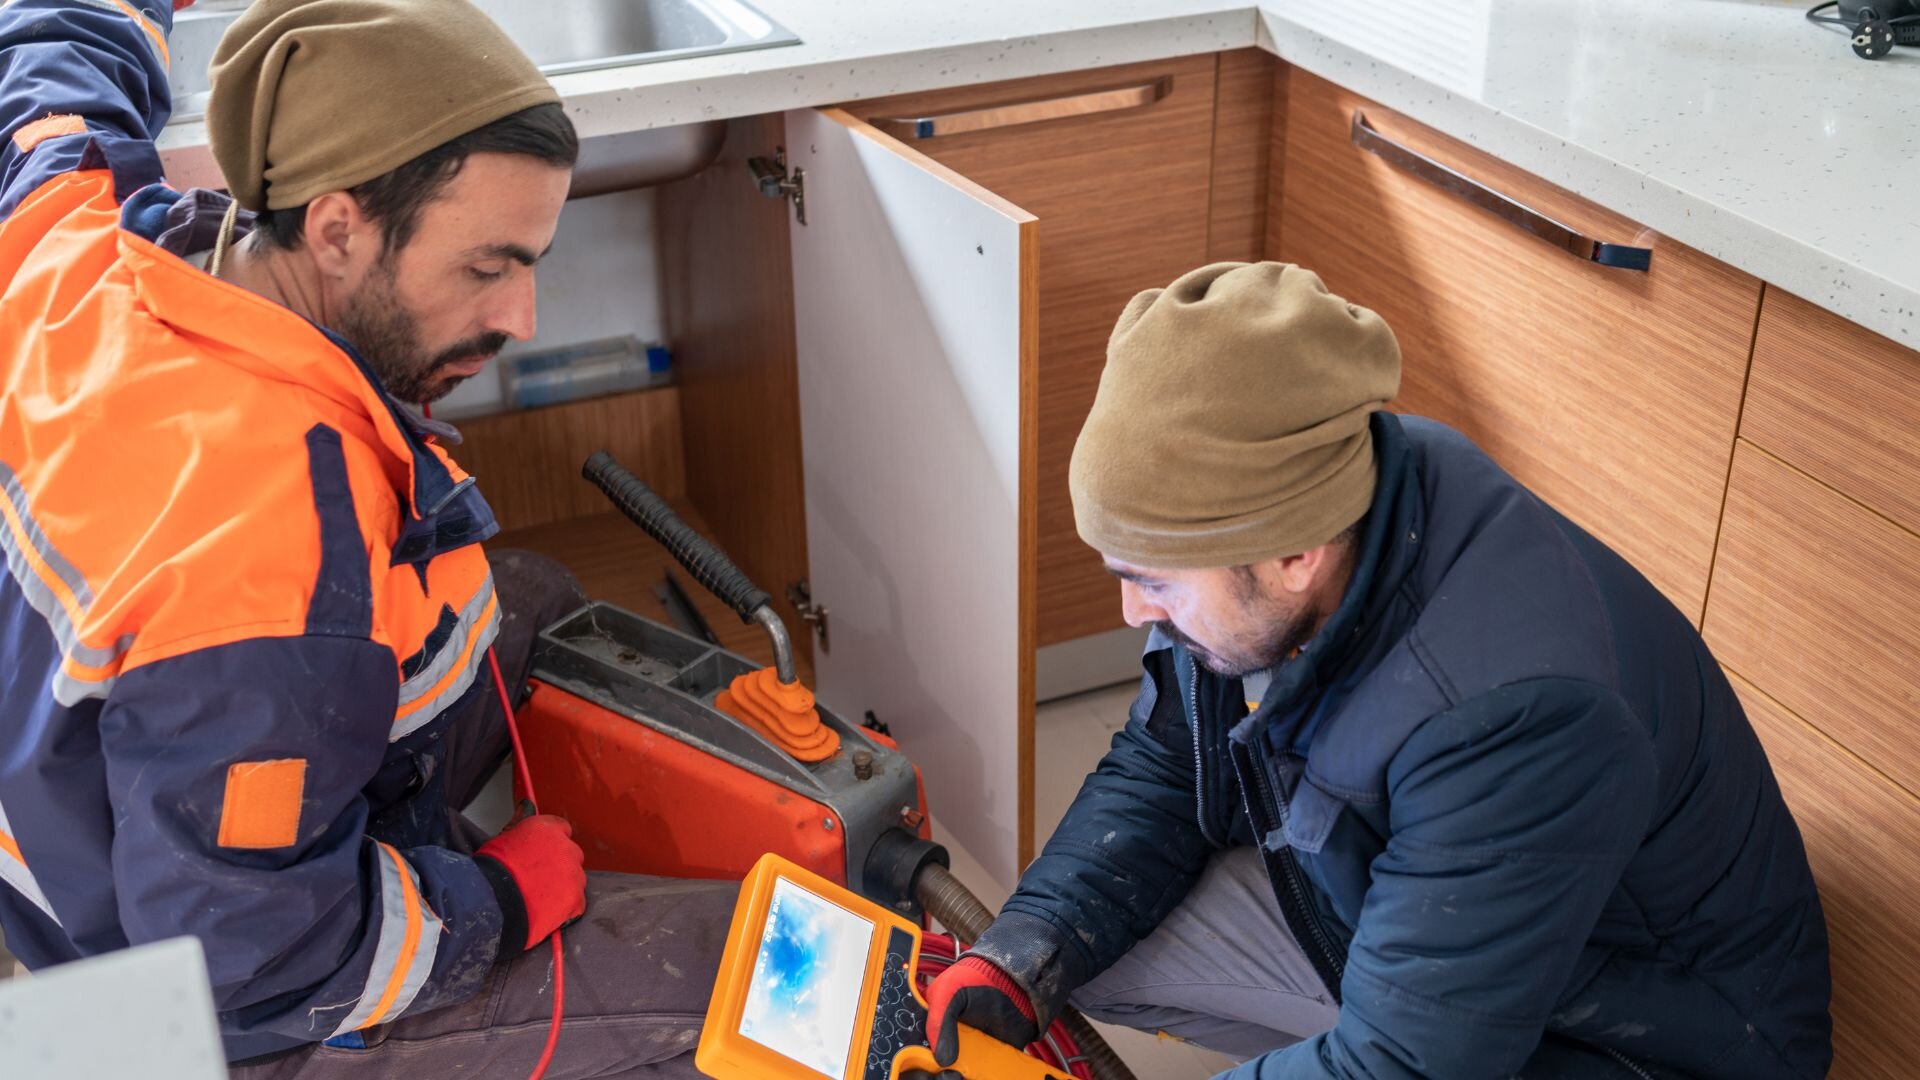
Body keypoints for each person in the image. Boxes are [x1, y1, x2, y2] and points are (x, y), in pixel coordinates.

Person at [0, 1, 731, 1074]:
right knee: (723, 971)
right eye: (487, 268)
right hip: (187, 1004)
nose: (524, 314)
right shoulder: (267, 556)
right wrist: (497, 899)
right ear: (339, 228)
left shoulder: (75, 240)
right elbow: (250, 963)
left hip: (103, 817)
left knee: (529, 602)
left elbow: (47, 50)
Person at [923, 262, 1832, 1078]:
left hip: (1642, 1041)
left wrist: (1373, 1048)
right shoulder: (1305, 496)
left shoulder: (1516, 714)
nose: (1134, 614)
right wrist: (1023, 950)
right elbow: (1170, 762)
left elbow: (1407, 1067)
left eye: (1155, 581)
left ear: (1295, 555)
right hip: (1441, 932)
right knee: (1088, 958)